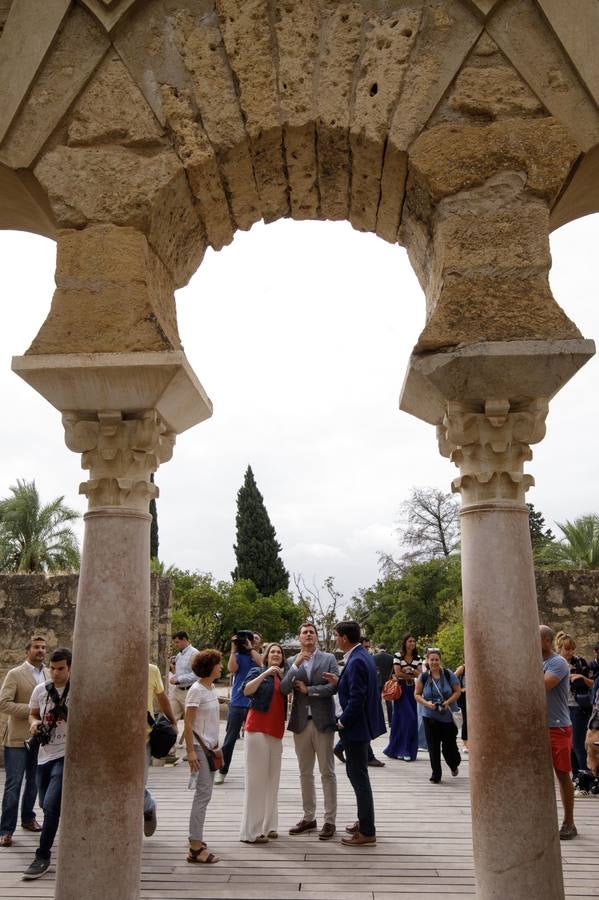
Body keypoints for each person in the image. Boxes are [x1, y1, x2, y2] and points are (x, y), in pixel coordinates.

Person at [324, 621, 385, 846]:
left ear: (345, 638)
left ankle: (367, 831)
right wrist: (339, 682)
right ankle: (364, 820)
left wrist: (343, 722)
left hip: (356, 729)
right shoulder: (361, 655)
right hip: (360, 728)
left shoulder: (357, 660)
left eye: (337, 636)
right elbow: (355, 687)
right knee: (359, 776)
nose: (336, 639)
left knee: (359, 778)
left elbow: (358, 698)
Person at [280, 622, 339, 840]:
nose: (308, 635)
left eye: (311, 632)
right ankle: (309, 817)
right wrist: (295, 665)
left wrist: (309, 690)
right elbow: (283, 689)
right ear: (299, 637)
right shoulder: (290, 661)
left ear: (316, 637)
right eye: (304, 632)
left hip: (323, 721)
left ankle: (330, 820)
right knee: (305, 773)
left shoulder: (329, 659)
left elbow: (334, 686)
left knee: (327, 772)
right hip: (300, 722)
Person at [22, 647, 71, 881]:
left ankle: (42, 855)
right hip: (43, 754)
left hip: (67, 755)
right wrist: (33, 724)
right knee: (46, 803)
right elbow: (32, 713)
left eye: (61, 669)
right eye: (52, 668)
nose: (55, 673)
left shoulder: (79, 690)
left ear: (70, 668)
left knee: (51, 805)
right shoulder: (41, 690)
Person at [0, 636, 48, 847]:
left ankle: (28, 818)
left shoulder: (49, 673)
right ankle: (6, 829)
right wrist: (32, 711)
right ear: (27, 651)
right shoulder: (15, 674)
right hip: (18, 738)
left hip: (40, 738)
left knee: (35, 782)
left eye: (43, 648)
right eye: (36, 647)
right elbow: (3, 703)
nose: (41, 651)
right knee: (14, 784)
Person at [239, 642, 288, 844]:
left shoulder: (283, 677)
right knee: (255, 781)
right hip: (257, 729)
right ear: (267, 656)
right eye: (273, 652)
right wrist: (265, 673)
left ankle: (270, 826)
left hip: (276, 731)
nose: (276, 654)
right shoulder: (257, 671)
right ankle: (250, 832)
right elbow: (246, 691)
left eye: (279, 652)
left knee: (272, 780)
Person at [184, 649, 223, 864]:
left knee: (204, 794)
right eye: (218, 663)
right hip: (200, 749)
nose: (221, 666)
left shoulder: (210, 687)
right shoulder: (197, 690)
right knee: (203, 794)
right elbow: (188, 724)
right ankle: (195, 847)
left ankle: (196, 838)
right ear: (209, 667)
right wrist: (190, 752)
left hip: (210, 747)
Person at [540, 625, 577, 839]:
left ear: (546, 641)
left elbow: (542, 686)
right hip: (539, 726)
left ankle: (569, 822)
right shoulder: (536, 661)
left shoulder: (558, 663)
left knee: (562, 774)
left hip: (558, 727)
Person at [216, 630, 263, 784]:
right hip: (237, 702)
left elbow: (263, 664)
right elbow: (231, 669)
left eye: (254, 639)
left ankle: (256, 773)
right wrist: (233, 648)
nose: (251, 641)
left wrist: (251, 649)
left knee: (256, 740)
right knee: (229, 740)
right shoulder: (237, 656)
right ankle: (222, 770)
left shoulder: (257, 656)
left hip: (254, 702)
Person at [415, 648, 461, 784]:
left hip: (447, 717)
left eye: (436, 659)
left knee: (449, 747)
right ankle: (436, 774)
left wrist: (447, 702)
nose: (434, 662)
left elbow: (457, 691)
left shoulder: (448, 674)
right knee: (433, 747)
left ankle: (454, 764)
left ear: (440, 660)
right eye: (431, 660)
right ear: (427, 661)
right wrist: (427, 704)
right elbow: (417, 694)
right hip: (429, 716)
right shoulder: (423, 677)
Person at [555, 631, 593, 792]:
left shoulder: (581, 663)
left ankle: (587, 777)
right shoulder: (554, 663)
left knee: (578, 744)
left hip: (578, 707)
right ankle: (576, 776)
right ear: (560, 649)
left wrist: (581, 678)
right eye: (567, 649)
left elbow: (592, 683)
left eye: (572, 649)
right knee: (568, 746)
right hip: (561, 708)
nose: (570, 653)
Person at [144, 663, 177, 837]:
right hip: (114, 737)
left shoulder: (152, 670)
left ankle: (147, 806)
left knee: (138, 782)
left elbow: (162, 697)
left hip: (143, 737)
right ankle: (147, 803)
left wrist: (172, 720)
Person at [384, 633, 422, 762]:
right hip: (401, 691)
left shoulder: (418, 657)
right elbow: (398, 673)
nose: (412, 643)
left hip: (413, 690)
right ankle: (403, 749)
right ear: (405, 642)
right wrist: (412, 673)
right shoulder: (397, 656)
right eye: (410, 641)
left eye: (414, 641)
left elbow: (421, 674)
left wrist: (410, 670)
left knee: (407, 720)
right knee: (407, 718)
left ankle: (402, 750)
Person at [168, 631, 199, 729]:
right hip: (177, 691)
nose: (176, 645)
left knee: (190, 722)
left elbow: (196, 674)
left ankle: (191, 744)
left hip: (189, 692)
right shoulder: (178, 655)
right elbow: (177, 672)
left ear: (184, 640)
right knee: (170, 718)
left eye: (177, 642)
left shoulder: (195, 653)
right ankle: (171, 743)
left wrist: (178, 679)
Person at [373, 643, 394, 728]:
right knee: (388, 702)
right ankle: (390, 722)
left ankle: (378, 722)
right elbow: (394, 671)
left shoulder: (373, 657)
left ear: (378, 648)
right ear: (386, 648)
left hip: (377, 682)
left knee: (377, 702)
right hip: (388, 682)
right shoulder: (391, 658)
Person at [454, 663, 468, 752]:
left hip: (475, 697)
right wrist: (460, 689)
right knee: (466, 720)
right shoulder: (463, 668)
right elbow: (452, 679)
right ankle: (465, 744)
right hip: (463, 697)